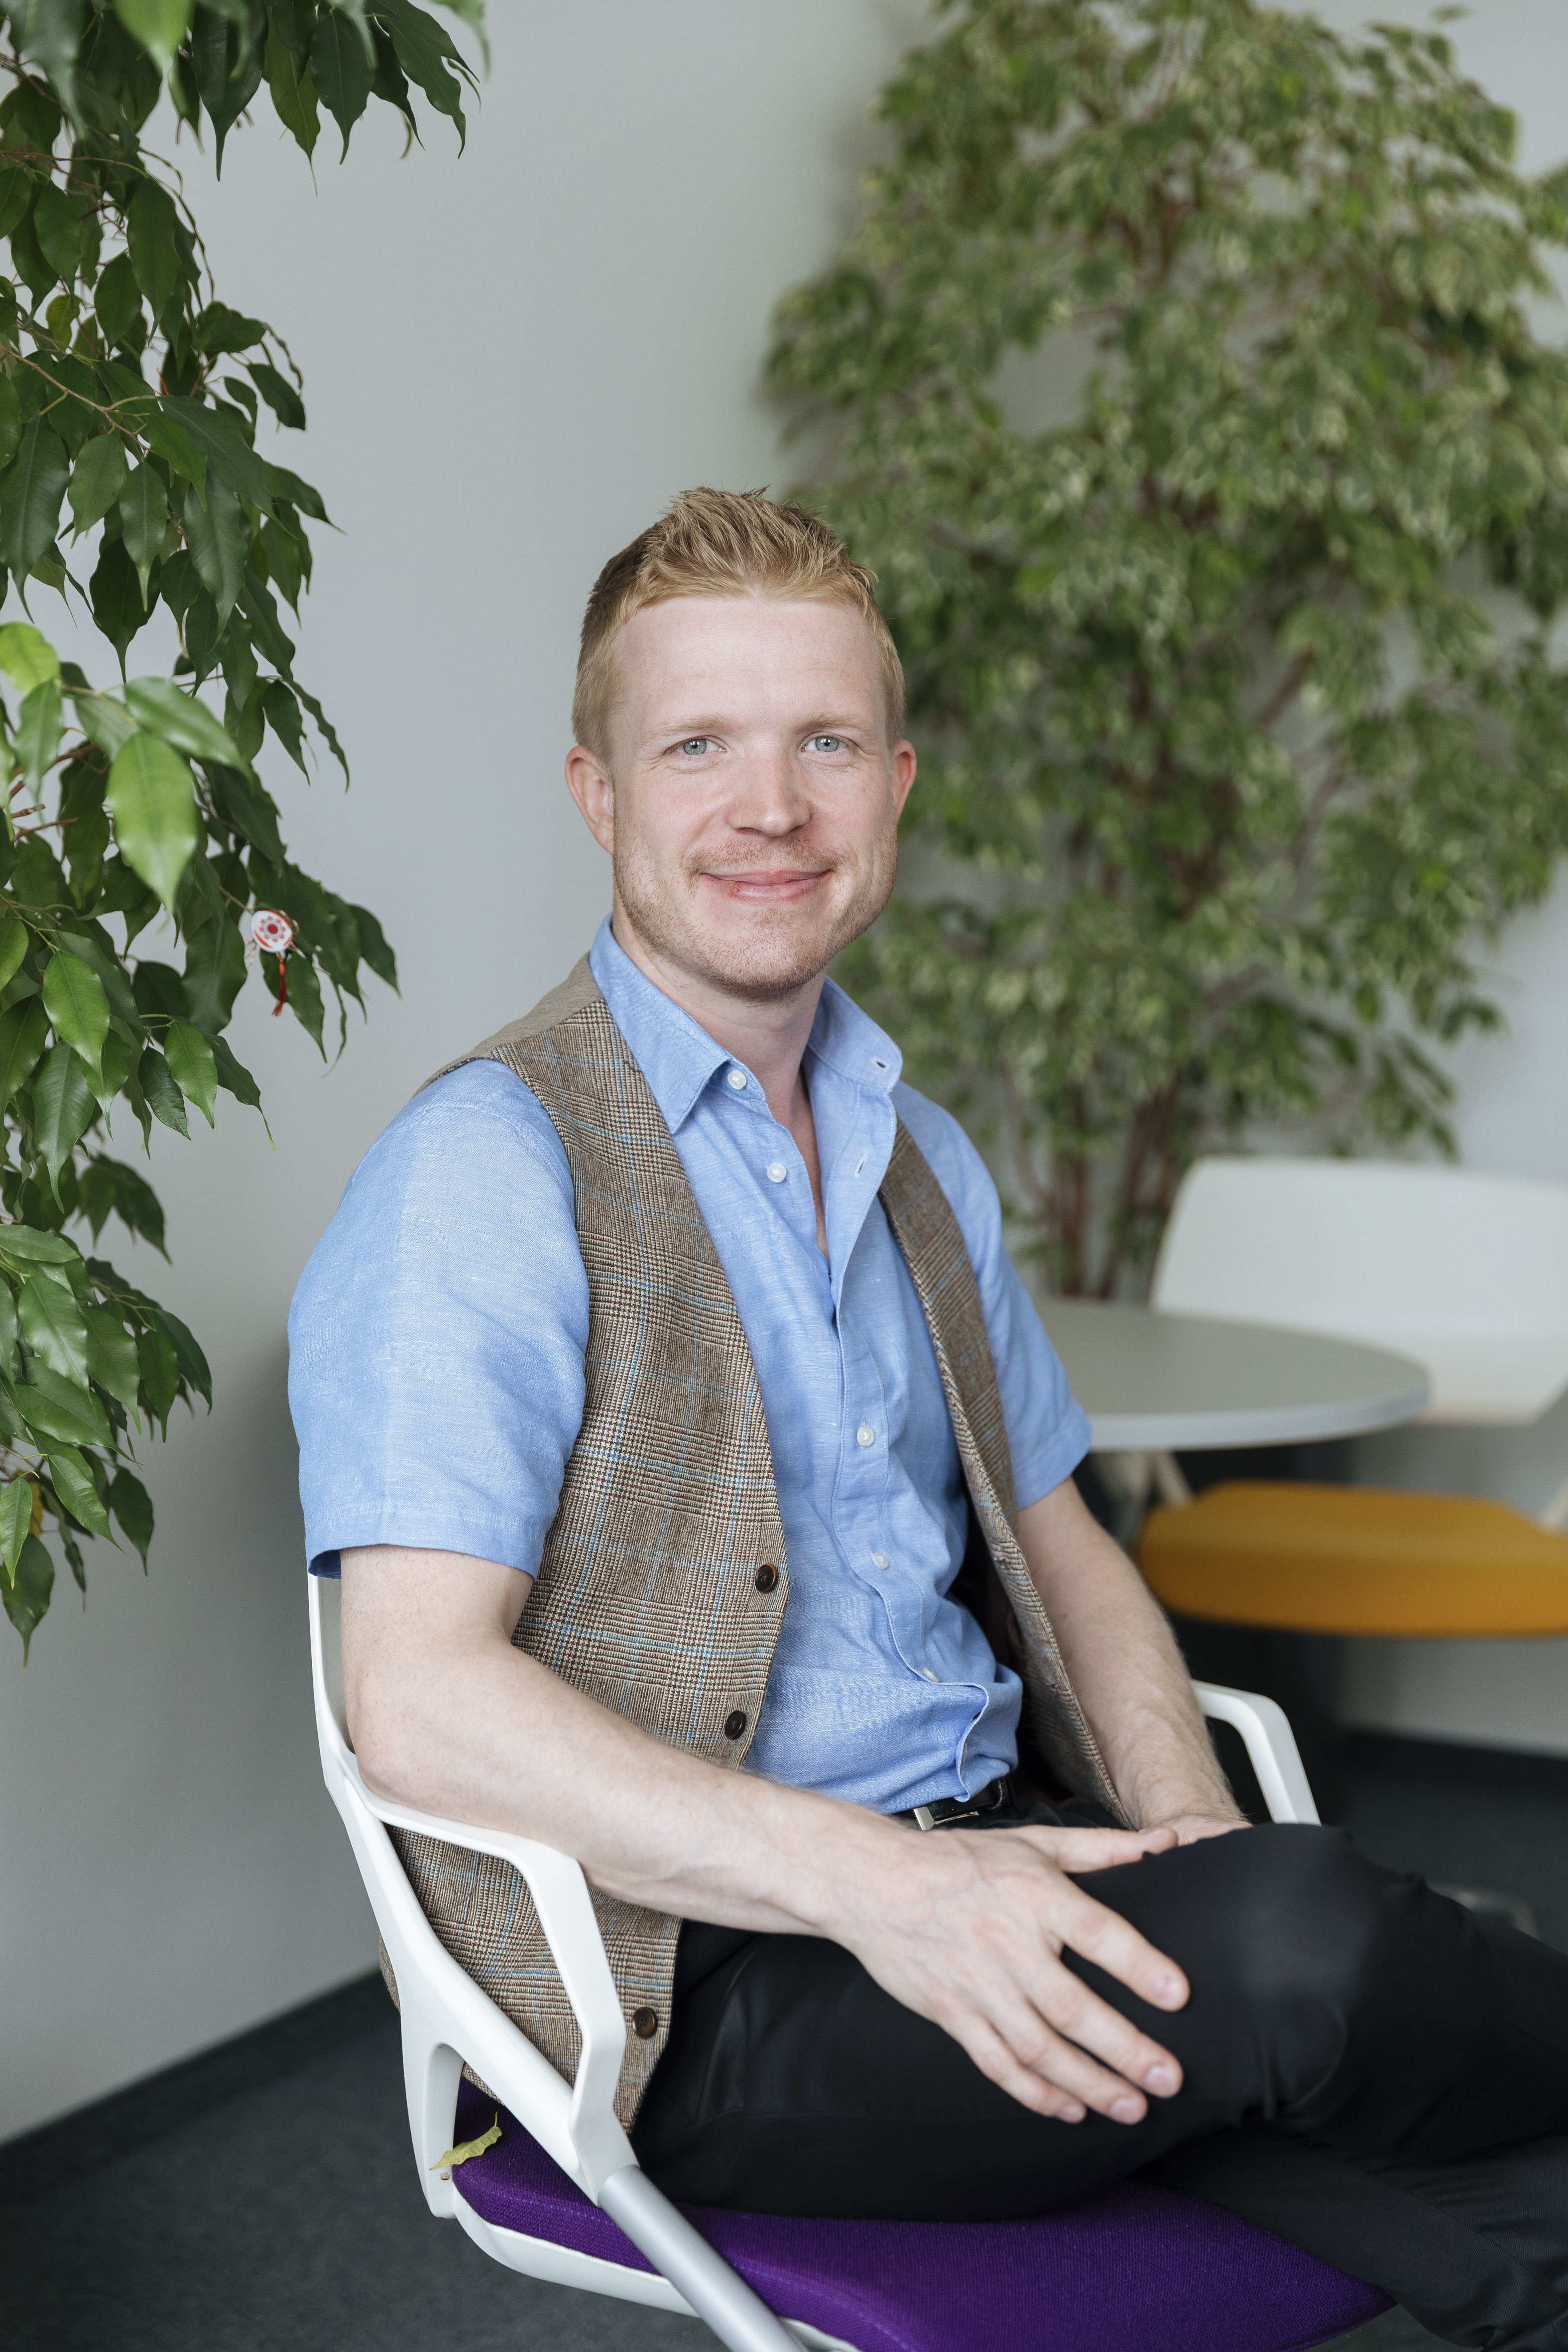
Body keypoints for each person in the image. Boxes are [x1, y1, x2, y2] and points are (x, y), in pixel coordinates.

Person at [289, 488, 1568, 2348]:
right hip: (714, 1984)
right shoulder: (486, 1170)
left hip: (1002, 1852)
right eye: (698, 744)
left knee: (1498, 2195)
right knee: (1326, 1952)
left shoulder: (917, 1154)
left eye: (822, 742)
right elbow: (414, 1695)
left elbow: (1064, 1538)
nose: (770, 806)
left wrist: (1190, 1835)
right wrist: (894, 1892)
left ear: (896, 783)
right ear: (597, 794)